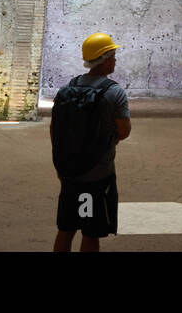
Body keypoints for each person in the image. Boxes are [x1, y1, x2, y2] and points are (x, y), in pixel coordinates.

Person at [50, 32, 131, 252]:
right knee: (91, 233)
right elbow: (124, 131)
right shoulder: (114, 92)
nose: (115, 60)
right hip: (98, 173)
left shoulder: (67, 88)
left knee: (66, 229)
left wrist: (60, 162)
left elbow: (55, 128)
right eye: (113, 55)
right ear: (104, 59)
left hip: (69, 171)